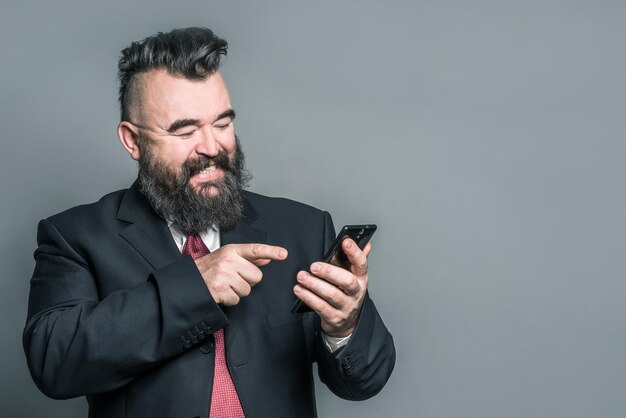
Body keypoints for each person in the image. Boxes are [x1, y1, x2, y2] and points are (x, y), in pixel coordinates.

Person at [23, 27, 395, 418]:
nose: (212, 147)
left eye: (222, 123)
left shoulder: (303, 227)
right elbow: (55, 363)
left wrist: (344, 326)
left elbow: (364, 381)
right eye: (185, 130)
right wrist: (195, 286)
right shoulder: (75, 237)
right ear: (132, 141)